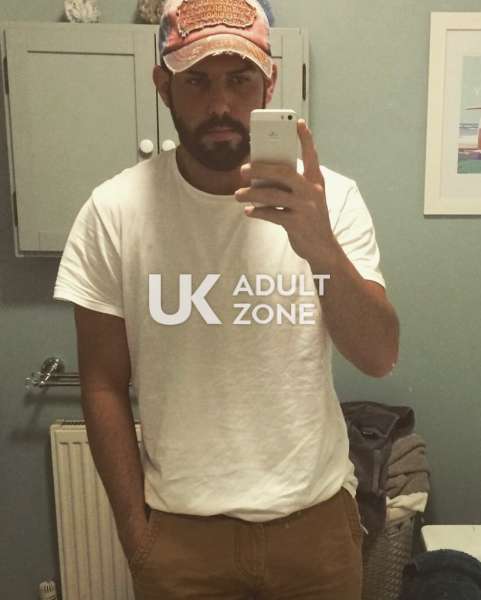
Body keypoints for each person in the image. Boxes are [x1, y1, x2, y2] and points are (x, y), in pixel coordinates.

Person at [53, 0, 400, 598]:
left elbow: (379, 356)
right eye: (197, 81)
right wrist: (137, 537)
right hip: (181, 538)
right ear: (163, 85)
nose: (220, 104)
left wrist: (320, 246)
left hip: (313, 528)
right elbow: (103, 384)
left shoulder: (332, 201)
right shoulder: (113, 212)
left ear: (270, 84)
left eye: (239, 79)